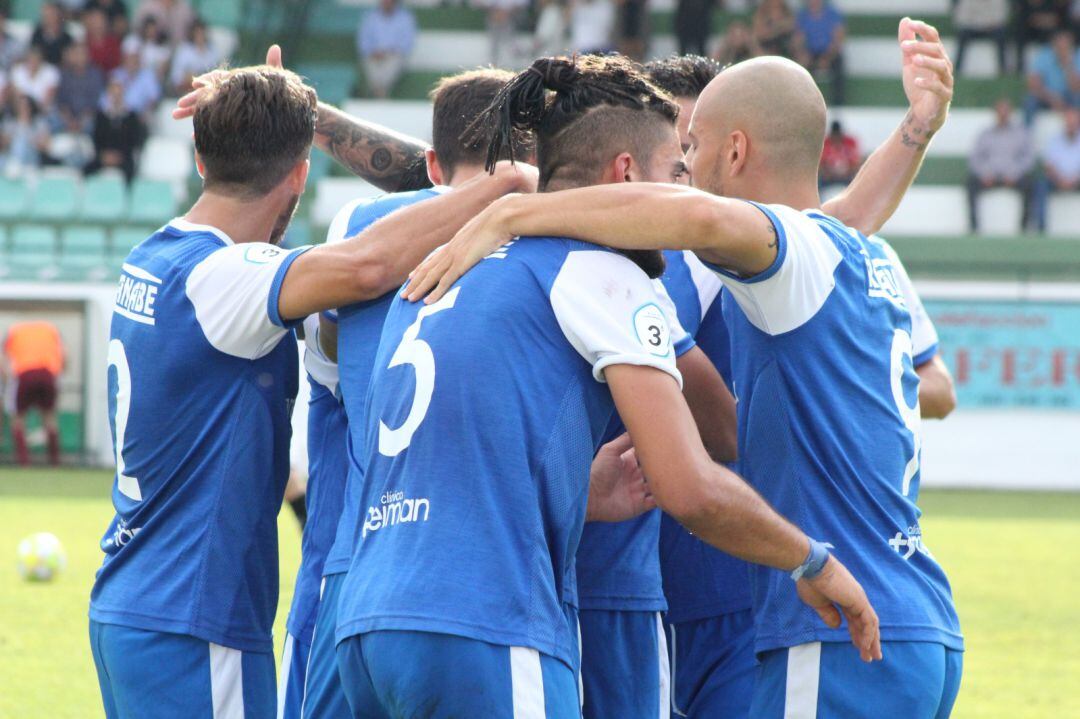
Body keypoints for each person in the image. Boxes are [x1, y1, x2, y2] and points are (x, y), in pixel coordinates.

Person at [408, 48, 964, 719]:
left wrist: (511, 214)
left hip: (838, 624)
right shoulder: (853, 250)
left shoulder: (783, 252)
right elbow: (845, 209)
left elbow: (699, 219)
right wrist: (916, 130)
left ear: (734, 153)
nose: (683, 170)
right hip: (919, 620)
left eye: (692, 147)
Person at [88, 60, 520, 718]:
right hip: (192, 614)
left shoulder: (156, 257)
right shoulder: (224, 278)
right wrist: (507, 189)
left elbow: (408, 207)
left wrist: (279, 114)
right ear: (299, 173)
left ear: (200, 159)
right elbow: (369, 261)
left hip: (134, 601)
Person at [286, 69, 538, 719]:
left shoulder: (359, 227)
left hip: (355, 572)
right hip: (487, 580)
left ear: (432, 162)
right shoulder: (561, 237)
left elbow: (329, 363)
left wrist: (309, 117)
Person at [966, 99, 1036, 233]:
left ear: (1011, 113)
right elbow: (975, 159)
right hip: (989, 177)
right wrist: (984, 174)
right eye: (1000, 111)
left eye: (1006, 111)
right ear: (995, 113)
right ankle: (974, 227)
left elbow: (1028, 158)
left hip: (1013, 177)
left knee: (1030, 185)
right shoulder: (985, 134)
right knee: (970, 183)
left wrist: (1015, 173)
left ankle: (1024, 228)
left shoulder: (1020, 133)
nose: (1003, 114)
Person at [2, 321, 64, 466]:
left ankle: (24, 462)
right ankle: (55, 462)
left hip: (25, 374)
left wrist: (6, 380)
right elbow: (64, 354)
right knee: (49, 417)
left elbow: (2, 358)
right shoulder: (51, 330)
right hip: (48, 374)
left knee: (18, 418)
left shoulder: (14, 331)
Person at [85, 79, 145, 182]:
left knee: (130, 172)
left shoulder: (131, 117)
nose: (116, 98)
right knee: (87, 170)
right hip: (104, 156)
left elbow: (134, 140)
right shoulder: (101, 116)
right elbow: (96, 138)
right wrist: (104, 155)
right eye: (113, 94)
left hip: (123, 156)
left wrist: (119, 156)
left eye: (118, 94)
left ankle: (127, 197)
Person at [357, 0, 416, 99]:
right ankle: (380, 93)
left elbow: (407, 43)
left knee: (394, 63)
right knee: (369, 63)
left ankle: (378, 92)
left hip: (394, 55)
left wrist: (389, 52)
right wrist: (373, 52)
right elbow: (363, 41)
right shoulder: (370, 17)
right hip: (373, 54)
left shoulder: (405, 18)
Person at [1033, 108, 1080, 232]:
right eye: (1069, 122)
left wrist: (1073, 180)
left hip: (1077, 180)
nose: (1071, 125)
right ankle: (1041, 227)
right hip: (1057, 180)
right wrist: (1061, 180)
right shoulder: (1055, 140)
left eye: (1074, 123)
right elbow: (1049, 166)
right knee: (1041, 184)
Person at [1023, 29, 1080, 125]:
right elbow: (1033, 84)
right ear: (1054, 45)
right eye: (1059, 45)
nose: (1062, 49)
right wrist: (1052, 98)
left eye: (1065, 46)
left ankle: (1076, 132)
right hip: (1046, 95)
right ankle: (1026, 134)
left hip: (1068, 96)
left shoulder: (1077, 56)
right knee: (1030, 101)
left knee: (1077, 99)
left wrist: (1068, 65)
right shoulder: (1044, 55)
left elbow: (1076, 87)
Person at [795, 0, 845, 105]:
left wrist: (827, 58)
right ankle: (805, 101)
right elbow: (799, 39)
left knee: (839, 64)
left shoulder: (832, 14)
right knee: (801, 69)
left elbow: (838, 39)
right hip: (811, 52)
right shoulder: (803, 15)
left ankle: (838, 102)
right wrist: (802, 54)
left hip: (829, 52)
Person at [57, 43, 105, 135]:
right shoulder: (65, 75)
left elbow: (95, 100)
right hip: (68, 117)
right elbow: (61, 99)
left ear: (88, 57)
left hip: (88, 116)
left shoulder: (96, 75)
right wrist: (69, 120)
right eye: (77, 54)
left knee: (92, 123)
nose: (79, 58)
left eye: (82, 54)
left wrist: (81, 121)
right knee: (54, 120)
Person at [952, 0, 1009, 76]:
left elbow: (1001, 18)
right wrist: (979, 25)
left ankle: (1003, 69)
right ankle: (957, 69)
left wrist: (987, 25)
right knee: (963, 35)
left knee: (1001, 34)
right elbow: (961, 19)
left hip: (992, 29)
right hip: (972, 28)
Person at [1, 95, 52, 176]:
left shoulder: (38, 123)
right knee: (18, 143)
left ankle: (16, 165)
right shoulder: (10, 123)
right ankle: (15, 165)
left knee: (22, 142)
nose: (23, 108)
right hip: (10, 154)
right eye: (20, 106)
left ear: (31, 107)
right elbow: (3, 144)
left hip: (32, 155)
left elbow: (46, 145)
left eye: (25, 106)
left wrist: (32, 141)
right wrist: (12, 139)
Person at [1017, 0, 1068, 74]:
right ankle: (1020, 66)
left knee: (1050, 33)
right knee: (1020, 34)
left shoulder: (1049, 3)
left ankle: (1049, 63)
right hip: (1030, 31)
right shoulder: (1025, 4)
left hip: (1046, 30)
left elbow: (1054, 18)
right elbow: (1028, 19)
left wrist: (1041, 20)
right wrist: (1041, 20)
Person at [169, 20, 219, 95]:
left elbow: (217, 72)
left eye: (202, 32)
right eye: (197, 33)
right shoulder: (184, 50)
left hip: (208, 90)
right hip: (186, 90)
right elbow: (176, 77)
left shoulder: (212, 50)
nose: (200, 36)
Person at [110, 50, 161, 116]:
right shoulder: (117, 74)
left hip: (140, 115)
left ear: (139, 62)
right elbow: (107, 98)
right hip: (120, 113)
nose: (131, 64)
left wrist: (146, 111)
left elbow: (154, 97)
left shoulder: (148, 75)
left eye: (134, 62)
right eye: (129, 61)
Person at [11, 47, 60, 112]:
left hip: (45, 111)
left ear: (41, 60)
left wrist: (34, 111)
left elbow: (48, 98)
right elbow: (16, 95)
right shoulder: (18, 71)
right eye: (30, 59)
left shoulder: (51, 72)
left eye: (36, 59)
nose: (33, 62)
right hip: (22, 111)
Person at [121, 17, 170, 82]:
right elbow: (126, 61)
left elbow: (162, 71)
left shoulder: (163, 48)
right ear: (144, 29)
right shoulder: (133, 41)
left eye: (154, 30)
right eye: (149, 29)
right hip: (132, 75)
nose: (151, 32)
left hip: (152, 80)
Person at [483, 0, 527, 69]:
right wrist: (496, 12)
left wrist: (507, 12)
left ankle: (516, 66)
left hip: (513, 19)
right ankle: (493, 67)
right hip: (494, 18)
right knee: (494, 48)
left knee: (512, 46)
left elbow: (523, 3)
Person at [819, 119, 860, 187]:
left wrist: (847, 172)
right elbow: (820, 164)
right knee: (818, 184)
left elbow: (856, 162)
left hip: (847, 176)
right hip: (828, 177)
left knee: (857, 183)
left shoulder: (850, 143)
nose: (836, 138)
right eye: (834, 135)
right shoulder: (825, 143)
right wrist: (827, 173)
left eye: (838, 135)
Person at [31, 2, 73, 66]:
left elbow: (67, 60)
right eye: (46, 16)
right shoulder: (37, 35)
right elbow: (34, 54)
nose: (49, 18)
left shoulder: (67, 38)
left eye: (52, 15)